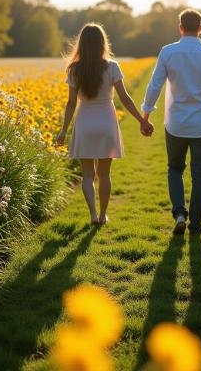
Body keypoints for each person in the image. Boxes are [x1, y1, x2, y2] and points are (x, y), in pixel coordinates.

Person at [56, 23, 153, 225]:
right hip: (106, 122)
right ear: (102, 43)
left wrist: (63, 130)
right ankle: (103, 215)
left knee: (88, 175)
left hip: (84, 122)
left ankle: (92, 215)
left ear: (81, 44)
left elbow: (71, 103)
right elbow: (125, 99)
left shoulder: (74, 69)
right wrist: (142, 120)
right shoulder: (112, 66)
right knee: (104, 174)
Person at [142, 9, 201, 235]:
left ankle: (179, 213)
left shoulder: (168, 52)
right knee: (200, 176)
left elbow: (154, 86)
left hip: (176, 123)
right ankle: (196, 226)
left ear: (180, 27)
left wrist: (146, 115)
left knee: (175, 169)